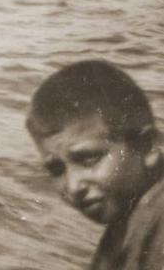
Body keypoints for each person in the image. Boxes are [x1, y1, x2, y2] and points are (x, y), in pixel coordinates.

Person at [26, 60, 164, 270]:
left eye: (89, 159)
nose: (73, 187)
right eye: (57, 169)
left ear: (147, 147)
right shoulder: (131, 220)